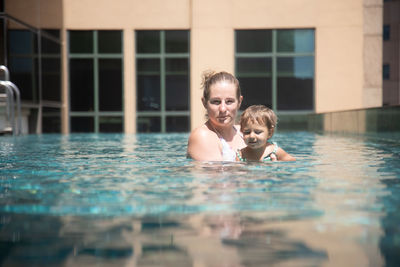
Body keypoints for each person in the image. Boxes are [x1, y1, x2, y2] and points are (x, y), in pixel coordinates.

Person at [187, 70, 246, 161]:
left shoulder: (244, 132)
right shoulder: (202, 136)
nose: (222, 109)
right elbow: (216, 174)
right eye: (216, 102)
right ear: (204, 103)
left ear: (239, 102)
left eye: (229, 101)